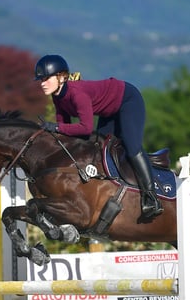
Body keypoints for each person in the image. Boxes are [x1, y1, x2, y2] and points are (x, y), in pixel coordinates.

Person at [33, 54, 163, 219]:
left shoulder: (77, 94)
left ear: (62, 77)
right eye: (40, 80)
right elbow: (64, 130)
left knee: (132, 147)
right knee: (97, 150)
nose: (42, 84)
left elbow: (85, 128)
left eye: (46, 79)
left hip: (127, 100)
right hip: (108, 111)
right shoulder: (57, 96)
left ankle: (151, 197)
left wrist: (56, 127)